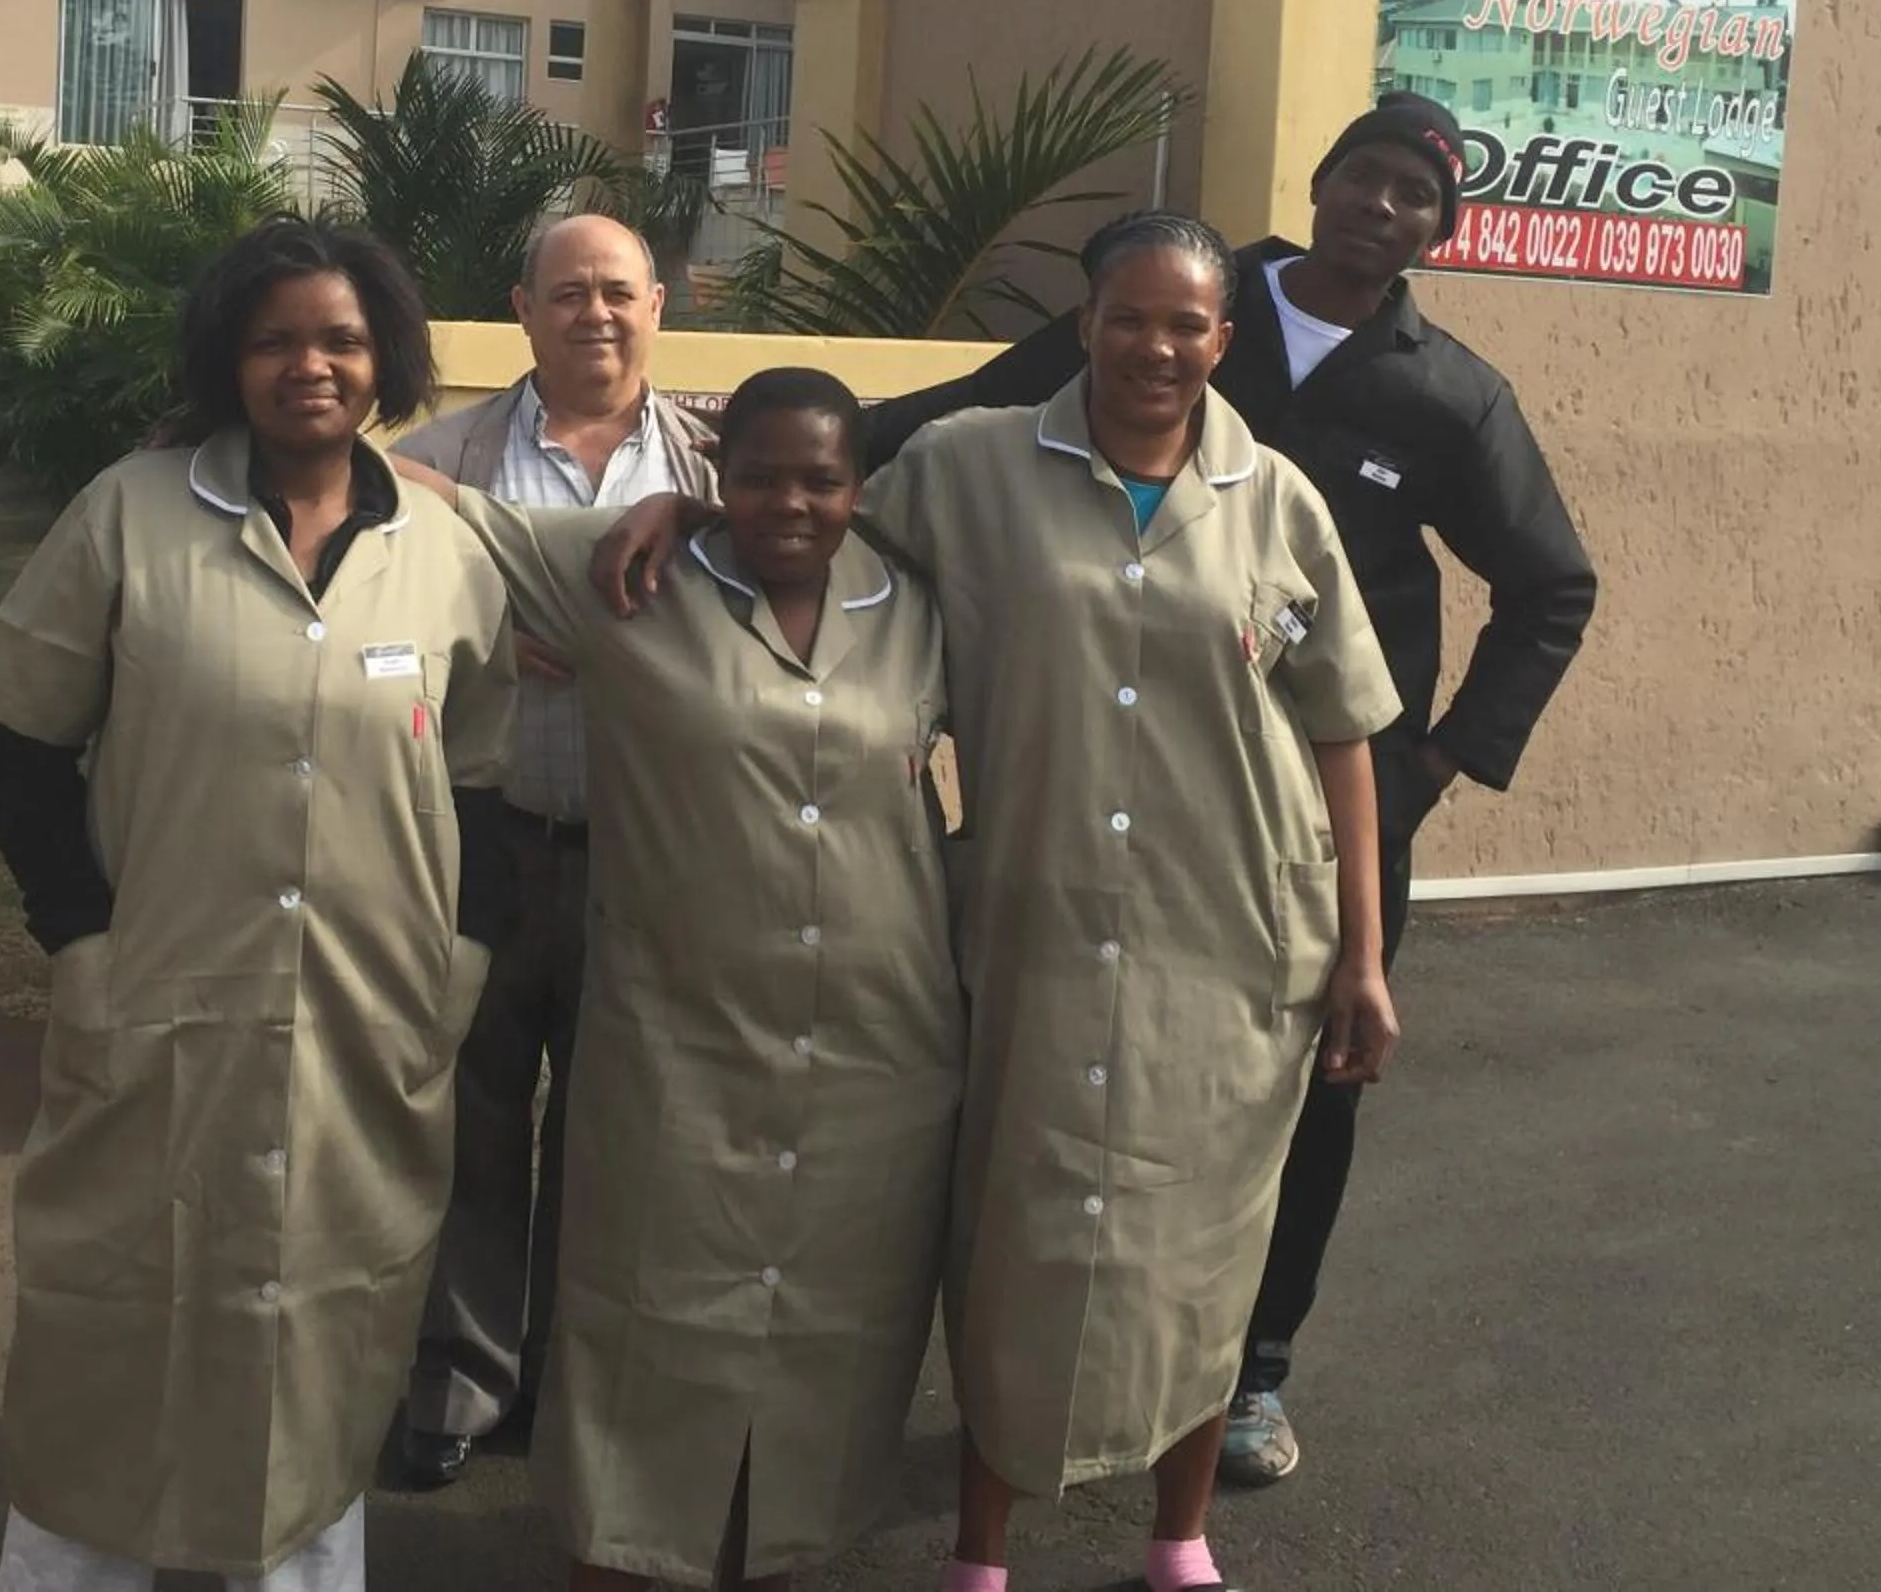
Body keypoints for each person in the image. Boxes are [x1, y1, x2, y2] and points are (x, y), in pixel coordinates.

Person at [601, 213, 1403, 1592]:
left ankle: (1179, 1529)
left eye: (1188, 323)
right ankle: (984, 1546)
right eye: (1130, 316)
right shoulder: (970, 468)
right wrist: (689, 502)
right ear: (1084, 323)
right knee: (1015, 1238)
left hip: (1240, 933)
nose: (1157, 345)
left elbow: (1340, 727)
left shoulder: (1278, 501)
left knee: (1211, 1240)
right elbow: (815, 514)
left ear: (1223, 339)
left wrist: (1364, 952)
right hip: (1027, 927)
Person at [862, 94, 1597, 1488]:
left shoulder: (1448, 391)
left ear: (1441, 230)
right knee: (1063, 1077)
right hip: (1108, 784)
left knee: (1305, 1088)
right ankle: (1039, 1370)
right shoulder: (1184, 289)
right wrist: (804, 438)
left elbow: (1553, 583)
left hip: (1321, 807)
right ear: (1319, 183)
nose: (1384, 207)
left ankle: (1252, 1369)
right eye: (1364, 176)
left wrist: (1433, 761)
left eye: (1417, 196)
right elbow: (975, 407)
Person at [0, 216, 517, 1592]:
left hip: (362, 1024)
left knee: (322, 1336)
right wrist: (76, 936)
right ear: (229, 359)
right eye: (275, 338)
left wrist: (461, 958)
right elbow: (25, 743)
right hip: (159, 999)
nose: (310, 365)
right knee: (115, 1320)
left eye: (339, 336)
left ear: (385, 352)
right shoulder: (131, 514)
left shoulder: (445, 548)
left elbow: (484, 779)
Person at [397, 367, 964, 1592]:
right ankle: (624, 1555)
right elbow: (444, 508)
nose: (790, 502)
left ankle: (781, 1547)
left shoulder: (920, 599)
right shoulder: (625, 582)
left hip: (881, 1036)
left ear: (862, 490)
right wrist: (260, 416)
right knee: (648, 1319)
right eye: (756, 477)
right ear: (714, 479)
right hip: (678, 1033)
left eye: (821, 479)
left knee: (831, 1324)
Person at [383, 213, 719, 1491]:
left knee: (613, 1126)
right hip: (487, 841)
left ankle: (577, 1374)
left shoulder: (711, 465)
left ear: (657, 308)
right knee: (469, 1118)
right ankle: (462, 1377)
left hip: (647, 854)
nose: (596, 316)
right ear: (520, 308)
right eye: (568, 294)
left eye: (619, 294)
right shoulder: (435, 460)